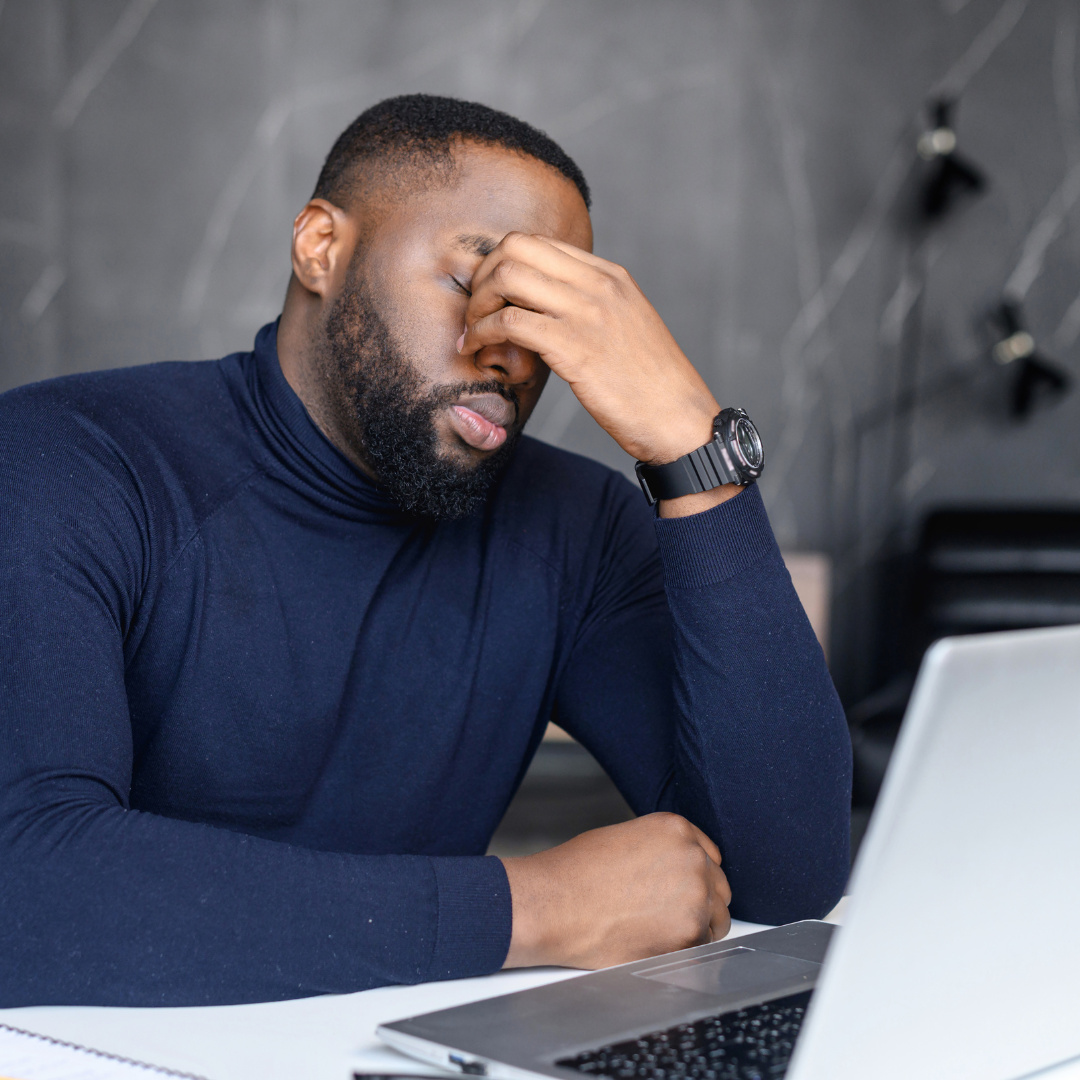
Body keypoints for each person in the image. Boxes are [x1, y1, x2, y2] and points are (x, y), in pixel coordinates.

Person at [0, 95, 851, 1007]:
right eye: (473, 284)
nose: (512, 355)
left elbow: (782, 879)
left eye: (544, 314)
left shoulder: (576, 526)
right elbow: (27, 886)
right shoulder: (63, 462)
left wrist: (695, 450)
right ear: (322, 247)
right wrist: (533, 909)